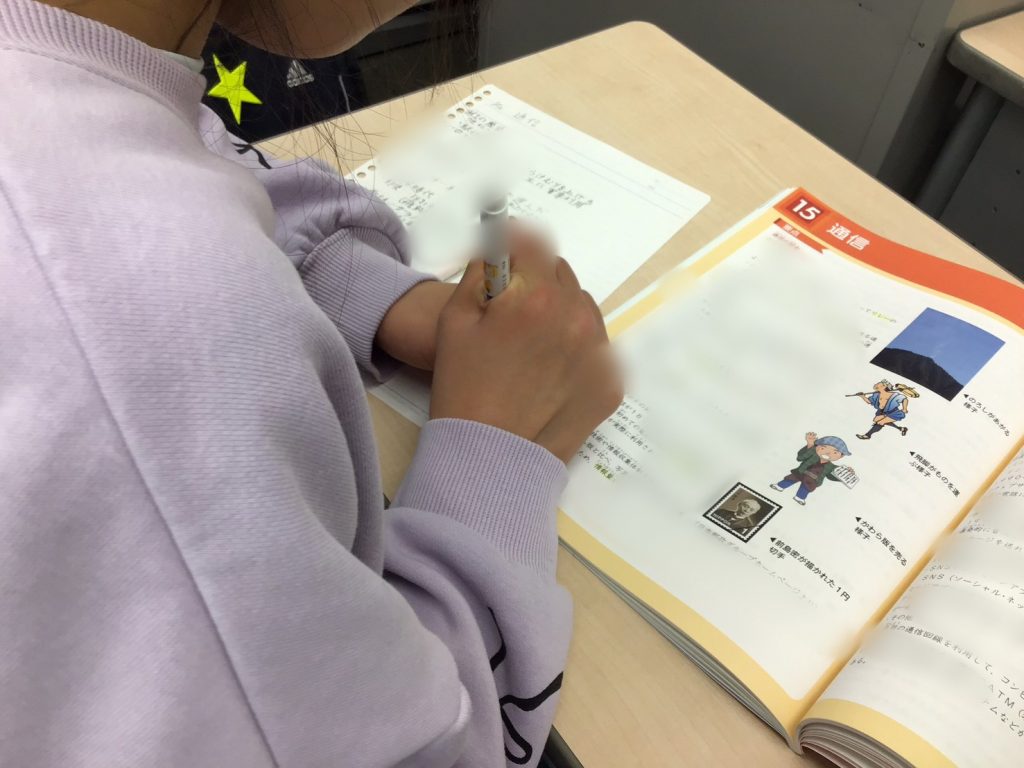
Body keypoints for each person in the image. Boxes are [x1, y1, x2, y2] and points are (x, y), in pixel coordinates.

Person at [0, 1, 622, 766]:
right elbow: (422, 742)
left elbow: (196, 146)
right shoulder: (132, 347)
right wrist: (498, 450)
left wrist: (362, 288)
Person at [770, 432, 854, 506]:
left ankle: (799, 497)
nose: (827, 453)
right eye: (823, 448)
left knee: (806, 488)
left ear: (841, 456)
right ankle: (780, 486)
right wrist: (810, 445)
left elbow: (832, 475)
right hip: (801, 472)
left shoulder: (831, 466)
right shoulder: (812, 454)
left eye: (835, 452)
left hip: (813, 480)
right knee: (791, 479)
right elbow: (800, 457)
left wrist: (846, 473)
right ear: (817, 447)